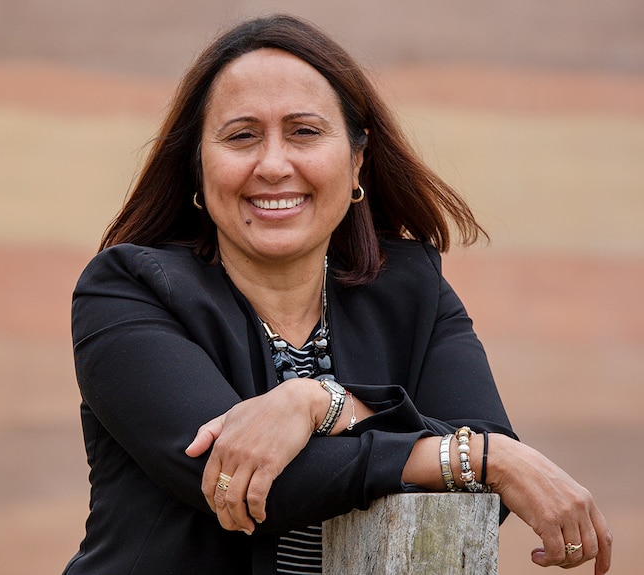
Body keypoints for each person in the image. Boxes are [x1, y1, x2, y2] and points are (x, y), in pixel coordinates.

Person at [63, 13, 612, 575]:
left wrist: (316, 405)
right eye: (242, 136)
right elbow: (244, 486)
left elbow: (482, 493)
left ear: (356, 160)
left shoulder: (411, 291)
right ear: (197, 168)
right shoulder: (127, 292)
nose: (274, 165)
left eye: (304, 132)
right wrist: (478, 458)